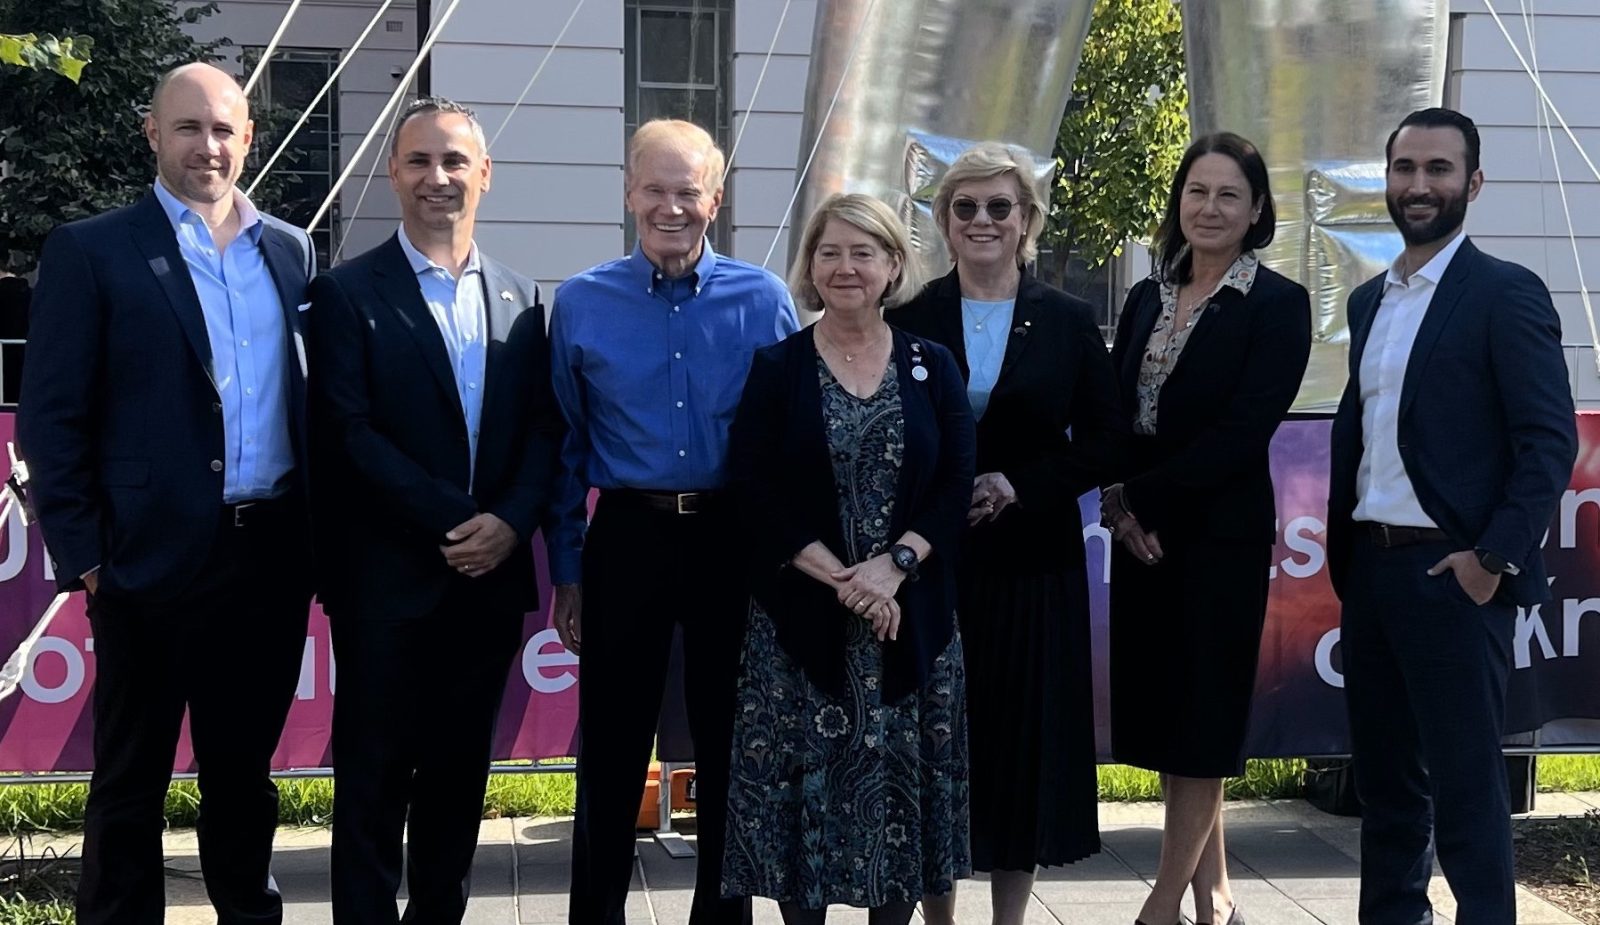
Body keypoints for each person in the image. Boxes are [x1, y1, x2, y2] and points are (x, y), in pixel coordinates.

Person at [16, 62, 316, 925]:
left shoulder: (289, 250)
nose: (207, 146)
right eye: (188, 128)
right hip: (143, 563)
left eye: (224, 129)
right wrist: (90, 560)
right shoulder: (92, 248)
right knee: (129, 782)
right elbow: (51, 417)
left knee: (243, 780)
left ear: (249, 137)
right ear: (153, 135)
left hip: (265, 559)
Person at [307, 97, 563, 925]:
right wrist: (461, 521)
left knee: (459, 785)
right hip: (388, 580)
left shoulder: (525, 298)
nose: (438, 178)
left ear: (485, 175)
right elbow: (348, 432)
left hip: (486, 584)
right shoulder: (346, 293)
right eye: (419, 161)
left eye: (455, 161)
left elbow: (540, 430)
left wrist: (512, 522)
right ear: (393, 173)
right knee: (374, 784)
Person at [1328, 107, 1578, 925]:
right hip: (1372, 576)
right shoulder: (1370, 301)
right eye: (1405, 169)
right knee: (1387, 791)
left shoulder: (1505, 293)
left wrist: (1490, 561)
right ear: (1388, 181)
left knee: (1469, 795)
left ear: (1472, 182)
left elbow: (1547, 442)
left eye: (1439, 169)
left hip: (1454, 578)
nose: (1419, 185)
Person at [549, 118, 799, 925]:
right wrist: (568, 568)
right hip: (628, 534)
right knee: (615, 751)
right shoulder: (583, 303)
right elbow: (564, 447)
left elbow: (794, 441)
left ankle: (721, 918)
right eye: (653, 189)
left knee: (729, 747)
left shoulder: (764, 300)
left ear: (715, 199)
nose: (670, 206)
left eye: (687, 191)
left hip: (731, 538)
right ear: (628, 193)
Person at [720, 192, 976, 925]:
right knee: (803, 829)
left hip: (910, 626)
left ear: (894, 265)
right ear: (809, 265)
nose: (845, 267)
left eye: (864, 252)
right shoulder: (778, 367)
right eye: (829, 251)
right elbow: (753, 486)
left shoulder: (934, 364)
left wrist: (893, 564)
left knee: (900, 824)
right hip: (803, 633)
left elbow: (957, 480)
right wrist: (843, 578)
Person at [894, 142, 1123, 925]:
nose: (983, 220)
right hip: (932, 569)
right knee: (937, 747)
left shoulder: (1067, 319)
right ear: (944, 221)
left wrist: (1020, 483)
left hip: (1034, 565)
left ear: (1026, 220)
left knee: (1019, 748)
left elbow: (1107, 439)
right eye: (966, 207)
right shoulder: (909, 317)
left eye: (1000, 207)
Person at [1101, 132, 1311, 925]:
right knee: (1169, 715)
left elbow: (1242, 431)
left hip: (1216, 534)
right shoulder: (1148, 294)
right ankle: (1215, 890)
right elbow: (1121, 416)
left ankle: (1162, 901)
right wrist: (1118, 502)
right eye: (1198, 191)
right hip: (1142, 533)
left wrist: (1140, 498)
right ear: (1178, 202)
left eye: (1229, 194)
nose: (1210, 207)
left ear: (1257, 209)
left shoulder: (1279, 303)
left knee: (1204, 717)